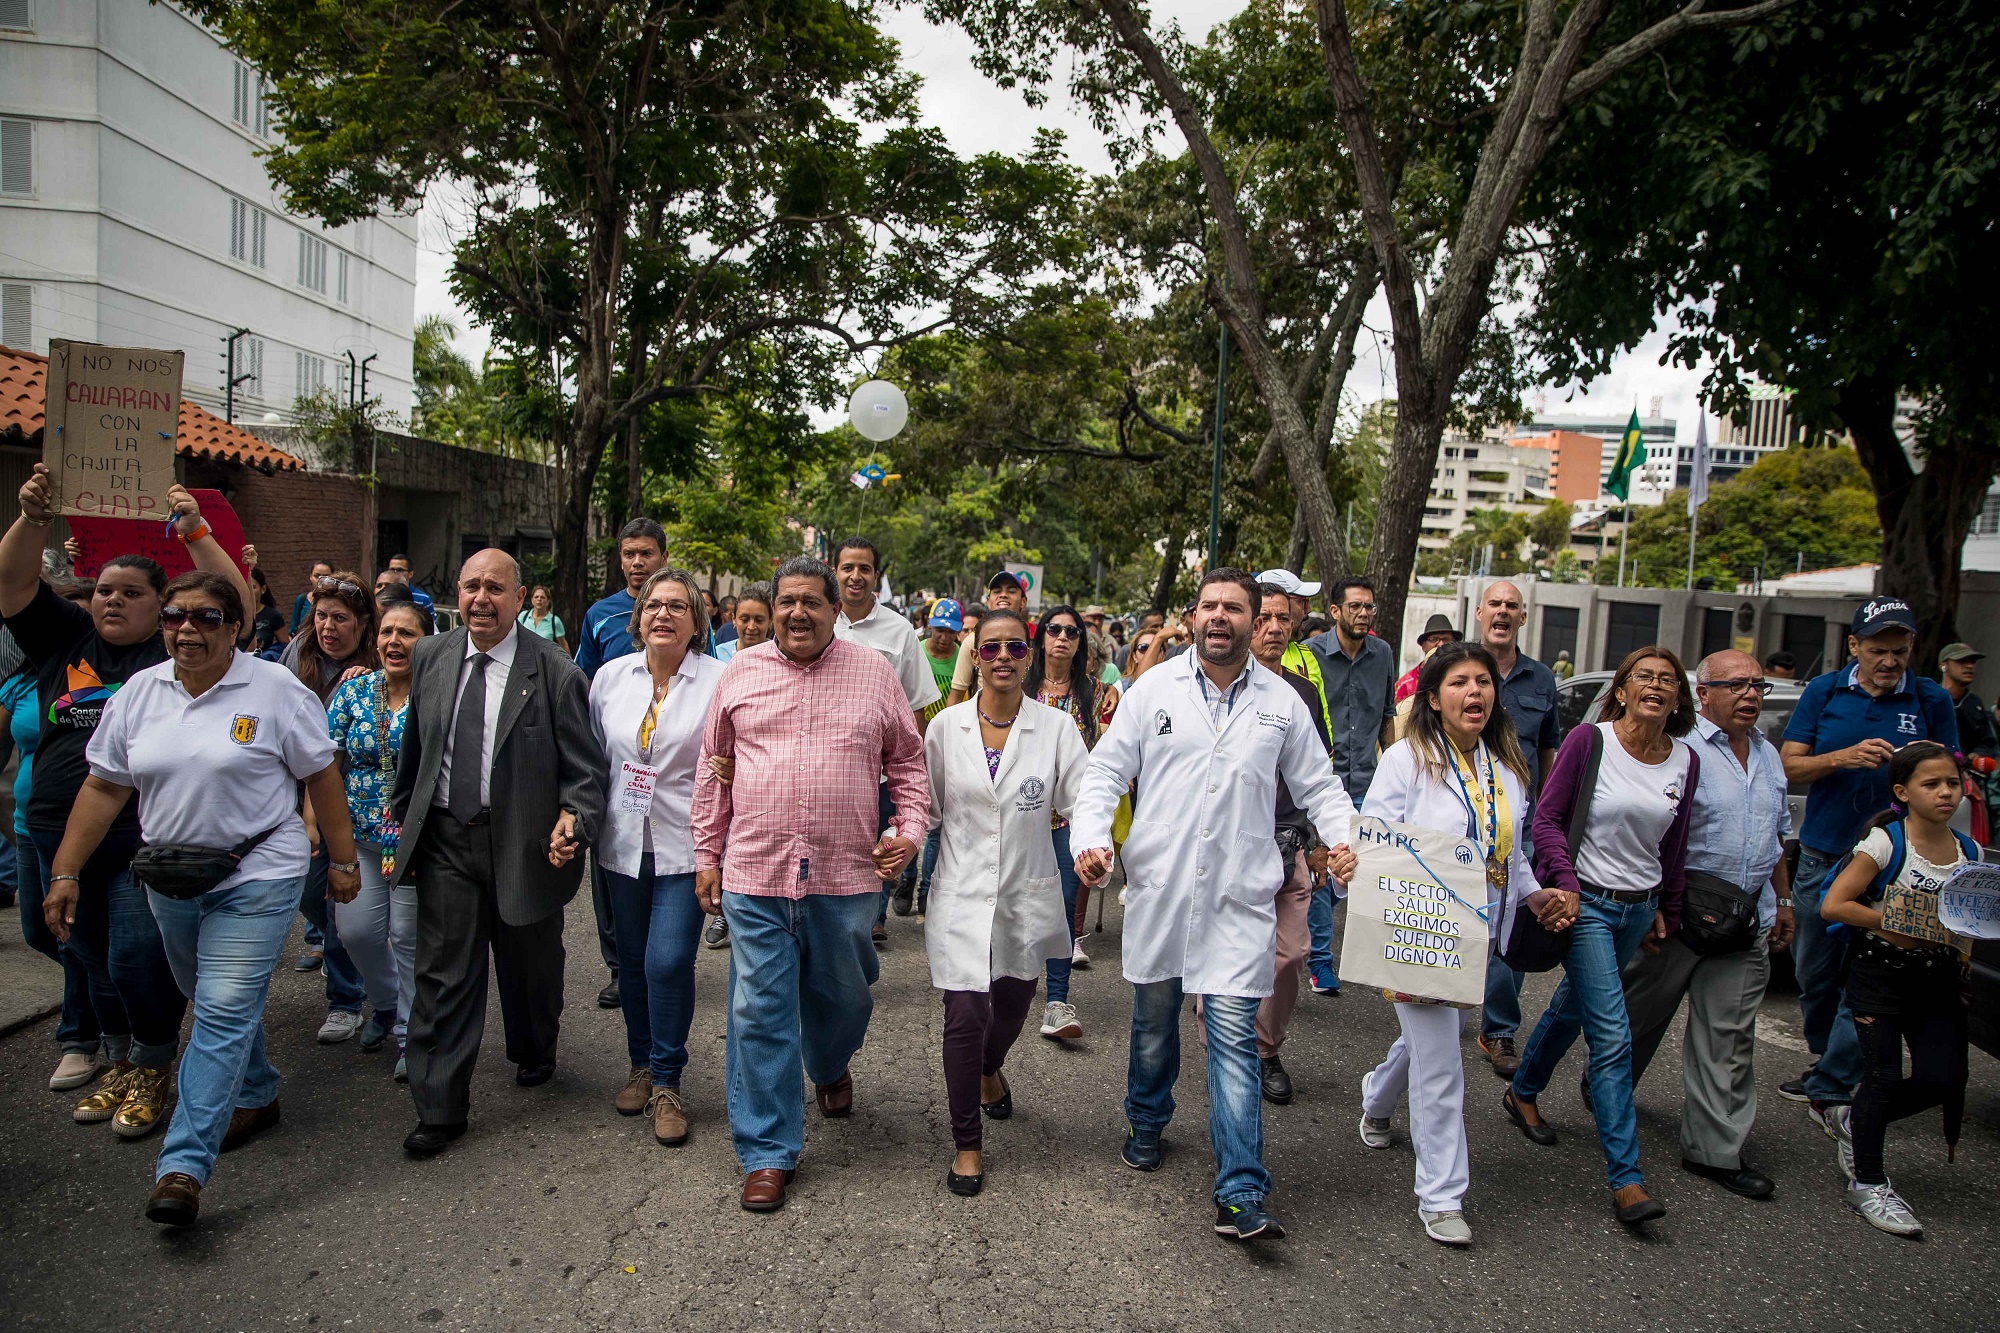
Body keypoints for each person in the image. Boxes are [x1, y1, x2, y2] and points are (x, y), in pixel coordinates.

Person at [45, 569, 359, 1228]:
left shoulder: (276, 691)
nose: (186, 629)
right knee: (211, 994)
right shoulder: (138, 692)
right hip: (170, 877)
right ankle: (255, 1091)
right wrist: (66, 870)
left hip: (258, 871)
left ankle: (182, 1164)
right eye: (173, 616)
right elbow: (105, 787)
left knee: (217, 1010)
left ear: (237, 625)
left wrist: (340, 858)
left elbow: (321, 774)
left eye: (206, 617)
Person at [1070, 568, 1357, 1243]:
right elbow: (1106, 772)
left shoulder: (1282, 702)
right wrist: (1090, 839)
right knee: (1154, 1024)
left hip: (1238, 896)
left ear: (1257, 621)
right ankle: (1146, 1116)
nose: (1221, 616)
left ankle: (1241, 1189)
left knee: (1233, 1039)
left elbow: (1320, 784)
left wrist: (1344, 839)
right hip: (1163, 889)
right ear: (1192, 617)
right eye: (1210, 606)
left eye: (1235, 607)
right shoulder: (1153, 689)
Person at [1, 465, 246, 1131]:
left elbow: (237, 603)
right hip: (53, 833)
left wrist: (194, 529)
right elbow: (13, 582)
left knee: (134, 955)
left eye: (132, 593)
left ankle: (151, 1064)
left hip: (141, 841)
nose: (113, 600)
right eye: (104, 589)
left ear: (162, 606)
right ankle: (124, 1054)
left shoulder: (176, 656)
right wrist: (32, 517)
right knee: (64, 944)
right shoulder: (61, 639)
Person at [690, 556, 927, 1213]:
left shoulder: (873, 672)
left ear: (834, 611)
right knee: (759, 1010)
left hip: (847, 874)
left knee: (843, 997)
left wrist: (908, 830)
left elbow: (907, 759)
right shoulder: (741, 673)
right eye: (786, 601)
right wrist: (706, 852)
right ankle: (767, 1151)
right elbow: (715, 769)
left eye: (811, 602)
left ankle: (829, 1062)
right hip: (756, 872)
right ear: (772, 607)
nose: (797, 612)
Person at [389, 549, 606, 1158]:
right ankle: (439, 1105)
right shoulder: (430, 656)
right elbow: (415, 750)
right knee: (444, 971)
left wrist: (574, 817)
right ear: (456, 595)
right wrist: (402, 823)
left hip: (525, 841)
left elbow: (586, 771)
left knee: (530, 964)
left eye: (494, 588)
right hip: (446, 840)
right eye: (470, 587)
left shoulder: (556, 672)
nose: (481, 599)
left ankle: (535, 1045)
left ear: (519, 597)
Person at [1504, 646, 1699, 1227]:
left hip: (1638, 911)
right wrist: (1565, 882)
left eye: (1669, 680)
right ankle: (1627, 1180)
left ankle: (1523, 1089)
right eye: (1645, 676)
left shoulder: (1685, 761)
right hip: (1585, 903)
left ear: (1678, 700)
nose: (1657, 685)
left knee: (1573, 1008)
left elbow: (1675, 845)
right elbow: (1546, 819)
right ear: (1620, 690)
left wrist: (1668, 907)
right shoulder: (1591, 744)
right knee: (1612, 1035)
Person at [1358, 642, 1540, 1246]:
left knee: (1437, 1039)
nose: (1475, 693)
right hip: (1421, 928)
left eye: (1484, 682)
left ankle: (1376, 1097)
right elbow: (1377, 843)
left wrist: (1537, 896)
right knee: (1443, 1063)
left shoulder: (1508, 767)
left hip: (1481, 933)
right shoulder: (1407, 760)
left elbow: (1516, 856)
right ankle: (1441, 1195)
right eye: (1460, 682)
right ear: (1433, 699)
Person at [924, 607, 1088, 1195]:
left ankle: (990, 1069)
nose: (1002, 659)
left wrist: (1094, 849)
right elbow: (928, 810)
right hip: (961, 890)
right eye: (990, 648)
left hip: (1026, 889)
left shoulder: (1057, 729)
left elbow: (1083, 802)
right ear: (976, 653)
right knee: (965, 1017)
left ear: (1031, 655)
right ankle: (967, 1142)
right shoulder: (945, 729)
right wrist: (891, 841)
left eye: (1015, 649)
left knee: (1014, 1003)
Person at [1778, 598, 1956, 1136]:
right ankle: (1826, 1056)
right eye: (1878, 649)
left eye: (1899, 651)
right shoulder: (1824, 691)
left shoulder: (1929, 699)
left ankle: (1833, 1079)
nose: (1889, 661)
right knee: (1813, 972)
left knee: (1871, 973)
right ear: (1854, 646)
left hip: (1891, 861)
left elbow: (1949, 771)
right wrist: (1842, 757)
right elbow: (1787, 765)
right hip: (1824, 853)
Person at [1622, 650, 1793, 1201]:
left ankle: (1714, 1152)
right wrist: (1651, 908)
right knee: (1635, 1019)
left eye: (1758, 686)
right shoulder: (1679, 752)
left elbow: (1776, 838)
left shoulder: (1768, 757)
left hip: (1745, 923)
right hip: (1678, 918)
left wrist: (1783, 901)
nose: (1751, 695)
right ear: (1704, 693)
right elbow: (1654, 835)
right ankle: (1607, 1091)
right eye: (1738, 685)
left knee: (1728, 1039)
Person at [589, 569, 724, 1146]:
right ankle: (641, 1064)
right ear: (637, 617)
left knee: (668, 961)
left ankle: (669, 1080)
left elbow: (735, 755)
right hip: (622, 843)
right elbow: (593, 756)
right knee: (634, 961)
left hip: (686, 845)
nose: (662, 615)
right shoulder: (610, 678)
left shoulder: (720, 679)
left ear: (696, 622)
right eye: (652, 606)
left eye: (676, 607)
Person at [1819, 740, 1976, 1238]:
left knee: (1942, 1079)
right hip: (1881, 976)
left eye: (1952, 783)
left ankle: (1852, 1117)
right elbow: (1835, 905)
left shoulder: (1967, 849)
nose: (1946, 793)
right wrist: (1890, 922)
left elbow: (1967, 916)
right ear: (1903, 792)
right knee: (1883, 1076)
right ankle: (1868, 1183)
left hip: (1938, 982)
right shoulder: (1886, 843)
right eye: (1932, 784)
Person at [323, 595, 433, 1082]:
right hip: (359, 836)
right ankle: (386, 1005)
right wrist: (315, 824)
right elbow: (325, 764)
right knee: (357, 932)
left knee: (408, 937)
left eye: (406, 633)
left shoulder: (439, 693)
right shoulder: (352, 692)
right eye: (387, 632)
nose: (394, 641)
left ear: (427, 641)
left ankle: (412, 1034)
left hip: (412, 838)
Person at [574, 518, 670, 1010]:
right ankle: (620, 966)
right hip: (616, 772)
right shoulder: (601, 615)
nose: (637, 563)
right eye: (629, 554)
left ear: (662, 558)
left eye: (646, 553)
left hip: (670, 770)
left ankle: (661, 960)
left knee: (664, 866)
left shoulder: (680, 610)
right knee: (612, 869)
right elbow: (582, 689)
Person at [1244, 583, 1334, 1105]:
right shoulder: (1226, 687)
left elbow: (1319, 774)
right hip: (1233, 845)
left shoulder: (1302, 692)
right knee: (1229, 949)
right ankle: (1229, 1048)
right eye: (1264, 619)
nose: (1274, 628)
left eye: (1283, 619)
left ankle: (1266, 1048)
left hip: (1290, 841)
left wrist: (1321, 842)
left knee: (1290, 953)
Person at [1469, 580, 1562, 1080]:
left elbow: (1547, 748)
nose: (1503, 613)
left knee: (1513, 918)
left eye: (1513, 606)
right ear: (1480, 612)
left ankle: (1498, 1027)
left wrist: (1544, 807)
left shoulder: (1542, 679)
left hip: (1516, 822)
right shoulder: (1458, 668)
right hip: (1459, 818)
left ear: (1522, 618)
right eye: (1496, 605)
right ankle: (1441, 994)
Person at [282, 570, 380, 1043]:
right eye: (320, 616)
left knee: (342, 899)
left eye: (340, 618)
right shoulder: (293, 659)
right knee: (307, 893)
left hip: (347, 804)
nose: (327, 627)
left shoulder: (373, 669)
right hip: (291, 800)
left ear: (363, 625)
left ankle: (346, 999)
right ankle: (354, 959)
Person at [831, 538, 940, 944]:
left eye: (865, 569)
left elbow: (915, 706)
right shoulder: (820, 621)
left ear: (876, 575)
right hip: (825, 766)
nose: (856, 576)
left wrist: (904, 768)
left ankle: (872, 916)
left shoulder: (899, 631)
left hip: (876, 772)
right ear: (835, 571)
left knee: (879, 844)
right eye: (848, 568)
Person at [2, 648, 102, 1091]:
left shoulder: (126, 676)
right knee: (39, 932)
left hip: (104, 828)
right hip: (33, 826)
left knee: (75, 938)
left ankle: (79, 1039)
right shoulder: (21, 684)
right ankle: (108, 997)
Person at [1302, 578, 1397, 1001]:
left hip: (1371, 781)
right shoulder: (1313, 654)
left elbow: (1389, 712)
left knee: (1369, 870)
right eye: (1355, 606)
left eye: (1369, 607)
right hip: (1325, 782)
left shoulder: (1383, 654)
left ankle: (1371, 959)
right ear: (1335, 611)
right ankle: (1320, 962)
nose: (1364, 613)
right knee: (1327, 868)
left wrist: (1398, 767)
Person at [1025, 604, 1104, 1041]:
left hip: (1068, 821)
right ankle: (1002, 985)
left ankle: (1056, 1002)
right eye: (1053, 630)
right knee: (1009, 902)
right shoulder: (1020, 686)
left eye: (1071, 632)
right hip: (1019, 817)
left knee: (1061, 910)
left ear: (1079, 643)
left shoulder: (1096, 692)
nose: (1061, 638)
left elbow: (1107, 758)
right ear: (1040, 639)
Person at [947, 572, 1029, 706]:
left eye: (1011, 591)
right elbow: (956, 696)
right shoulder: (972, 642)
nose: (1003, 594)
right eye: (997, 591)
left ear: (1023, 601)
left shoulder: (1037, 641)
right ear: (989, 601)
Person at [1938, 643, 1995, 761]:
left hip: (1968, 773)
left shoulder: (1974, 703)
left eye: (1972, 661)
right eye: (1962, 661)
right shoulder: (1930, 699)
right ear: (1944, 665)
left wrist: (1978, 753)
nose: (1969, 666)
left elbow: (1987, 741)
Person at [1394, 615, 1461, 705]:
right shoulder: (1405, 684)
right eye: (1434, 639)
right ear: (1423, 646)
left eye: (1446, 639)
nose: (1440, 644)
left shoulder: (1463, 678)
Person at [517, 585, 568, 653]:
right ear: (532, 600)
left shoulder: (555, 621)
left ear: (547, 601)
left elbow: (563, 645)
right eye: (536, 597)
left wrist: (569, 663)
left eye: (542, 597)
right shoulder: (523, 617)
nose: (539, 599)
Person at [291, 560, 332, 636]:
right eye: (317, 576)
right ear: (310, 577)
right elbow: (293, 630)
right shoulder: (302, 599)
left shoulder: (337, 602)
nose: (321, 580)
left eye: (326, 577)